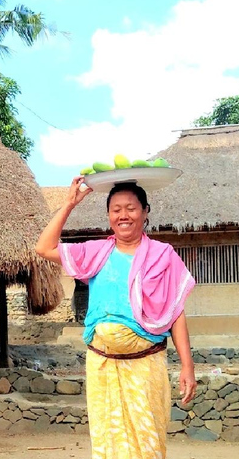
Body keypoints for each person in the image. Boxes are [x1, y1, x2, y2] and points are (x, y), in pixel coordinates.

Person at [35, 176, 197, 459]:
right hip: (103, 366)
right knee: (108, 442)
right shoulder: (96, 252)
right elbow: (44, 248)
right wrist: (69, 204)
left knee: (146, 443)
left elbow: (175, 313)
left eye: (131, 208)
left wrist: (187, 366)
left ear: (145, 212)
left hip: (146, 366)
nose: (124, 215)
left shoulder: (163, 256)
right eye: (116, 209)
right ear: (109, 215)